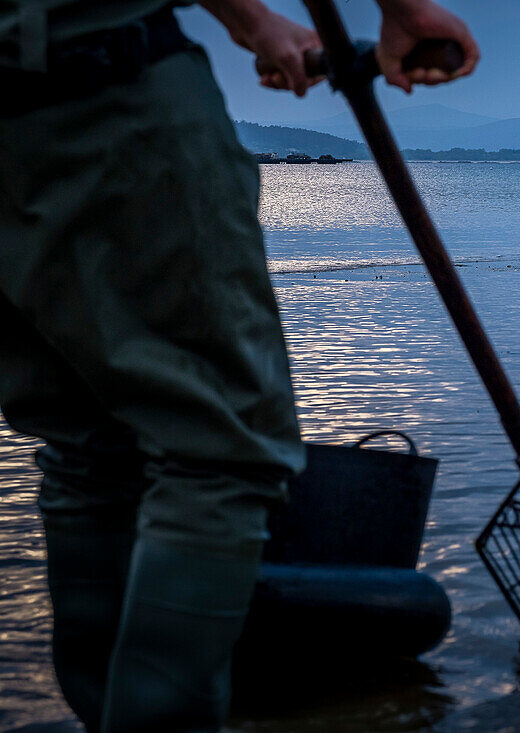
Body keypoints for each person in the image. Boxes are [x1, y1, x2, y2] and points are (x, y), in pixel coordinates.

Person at [0, 0, 477, 730]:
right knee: (221, 449)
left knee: (91, 440)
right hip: (105, 79)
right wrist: (402, 10)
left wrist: (254, 25)